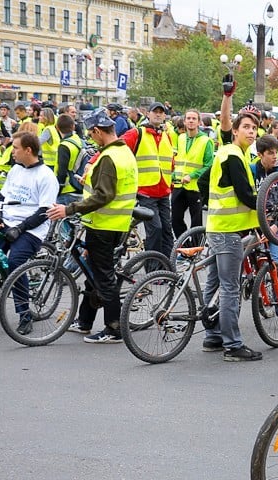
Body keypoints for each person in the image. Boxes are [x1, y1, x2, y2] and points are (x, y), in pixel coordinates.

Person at [46, 109, 138, 343]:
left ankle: (114, 328)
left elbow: (103, 196)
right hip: (114, 222)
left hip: (104, 224)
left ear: (97, 131)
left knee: (104, 277)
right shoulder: (122, 151)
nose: (91, 137)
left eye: (91, 134)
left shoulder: (108, 158)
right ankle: (85, 321)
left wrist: (69, 209)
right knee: (92, 272)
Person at [199, 76, 264, 361]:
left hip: (217, 227)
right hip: (227, 232)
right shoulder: (234, 156)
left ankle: (212, 337)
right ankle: (233, 345)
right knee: (229, 287)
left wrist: (227, 97)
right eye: (246, 127)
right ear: (236, 131)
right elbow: (246, 197)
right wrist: (266, 207)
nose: (251, 132)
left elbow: (203, 182)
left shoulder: (227, 151)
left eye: (255, 128)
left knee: (214, 284)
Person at [0, 131, 58, 330]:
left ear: (28, 150)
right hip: (7, 222)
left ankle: (24, 315)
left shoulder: (46, 176)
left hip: (32, 229)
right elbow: (3, 198)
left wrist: (21, 228)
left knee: (15, 262)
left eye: (15, 148)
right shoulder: (15, 170)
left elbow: (44, 211)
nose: (12, 151)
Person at [121, 102, 174, 260]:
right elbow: (116, 147)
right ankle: (152, 266)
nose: (158, 115)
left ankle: (167, 266)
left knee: (166, 229)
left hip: (164, 190)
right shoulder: (137, 133)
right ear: (148, 114)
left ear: (164, 116)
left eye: (161, 112)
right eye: (155, 112)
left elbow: (169, 161)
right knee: (155, 229)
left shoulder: (166, 136)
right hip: (146, 191)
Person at [171, 109, 214, 238]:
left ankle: (195, 251)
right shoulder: (181, 138)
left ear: (199, 122)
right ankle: (184, 246)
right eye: (188, 118)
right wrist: (172, 175)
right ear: (184, 121)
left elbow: (209, 166)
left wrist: (192, 175)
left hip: (196, 187)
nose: (190, 121)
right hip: (179, 186)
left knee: (196, 222)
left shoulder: (206, 141)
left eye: (194, 119)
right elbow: (179, 160)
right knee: (175, 219)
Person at [54, 113, 83, 205]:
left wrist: (57, 190)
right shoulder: (77, 139)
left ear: (57, 128)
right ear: (73, 127)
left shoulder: (64, 146)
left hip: (67, 189)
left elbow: (62, 172)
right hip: (79, 184)